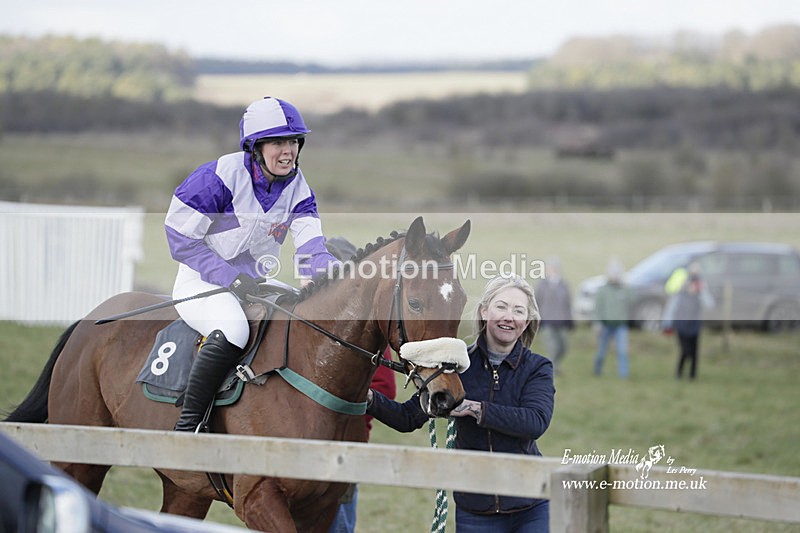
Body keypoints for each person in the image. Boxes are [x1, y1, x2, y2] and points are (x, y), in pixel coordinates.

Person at [165, 96, 339, 432]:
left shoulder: (299, 189)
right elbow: (180, 238)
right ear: (255, 147)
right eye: (278, 143)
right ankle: (188, 426)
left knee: (298, 317)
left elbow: (312, 249)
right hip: (200, 281)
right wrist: (230, 278)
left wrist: (338, 277)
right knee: (235, 329)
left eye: (293, 142)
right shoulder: (216, 178)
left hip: (253, 284)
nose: (288, 152)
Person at [366, 274, 555, 532]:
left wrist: (475, 409)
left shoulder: (537, 367)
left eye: (518, 310)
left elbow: (535, 422)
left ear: (527, 321)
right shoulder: (455, 366)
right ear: (484, 311)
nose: (508, 317)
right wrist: (367, 397)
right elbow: (407, 417)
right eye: (501, 307)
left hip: (531, 503)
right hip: (475, 509)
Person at [324, 237, 398, 533]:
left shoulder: (365, 331)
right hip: (293, 442)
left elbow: (385, 389)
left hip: (344, 444)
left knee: (336, 523)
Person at [667, 262, 714, 380]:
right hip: (681, 325)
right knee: (685, 350)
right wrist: (667, 323)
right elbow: (671, 307)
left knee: (694, 352)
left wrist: (702, 290)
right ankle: (679, 373)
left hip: (694, 326)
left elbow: (710, 305)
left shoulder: (700, 293)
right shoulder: (680, 292)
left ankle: (692, 376)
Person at [592, 260, 633, 379]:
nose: (615, 276)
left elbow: (633, 299)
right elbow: (597, 309)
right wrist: (597, 323)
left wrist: (626, 287)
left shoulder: (624, 289)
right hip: (605, 325)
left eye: (617, 273)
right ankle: (597, 371)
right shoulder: (602, 290)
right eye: (613, 273)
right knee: (601, 352)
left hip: (620, 326)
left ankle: (623, 375)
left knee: (622, 351)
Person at [535, 257, 573, 375]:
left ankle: (555, 364)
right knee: (552, 347)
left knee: (563, 347)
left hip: (561, 321)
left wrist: (570, 320)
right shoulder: (542, 285)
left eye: (553, 268)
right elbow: (537, 302)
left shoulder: (564, 285)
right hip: (547, 321)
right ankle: (552, 369)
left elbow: (567, 304)